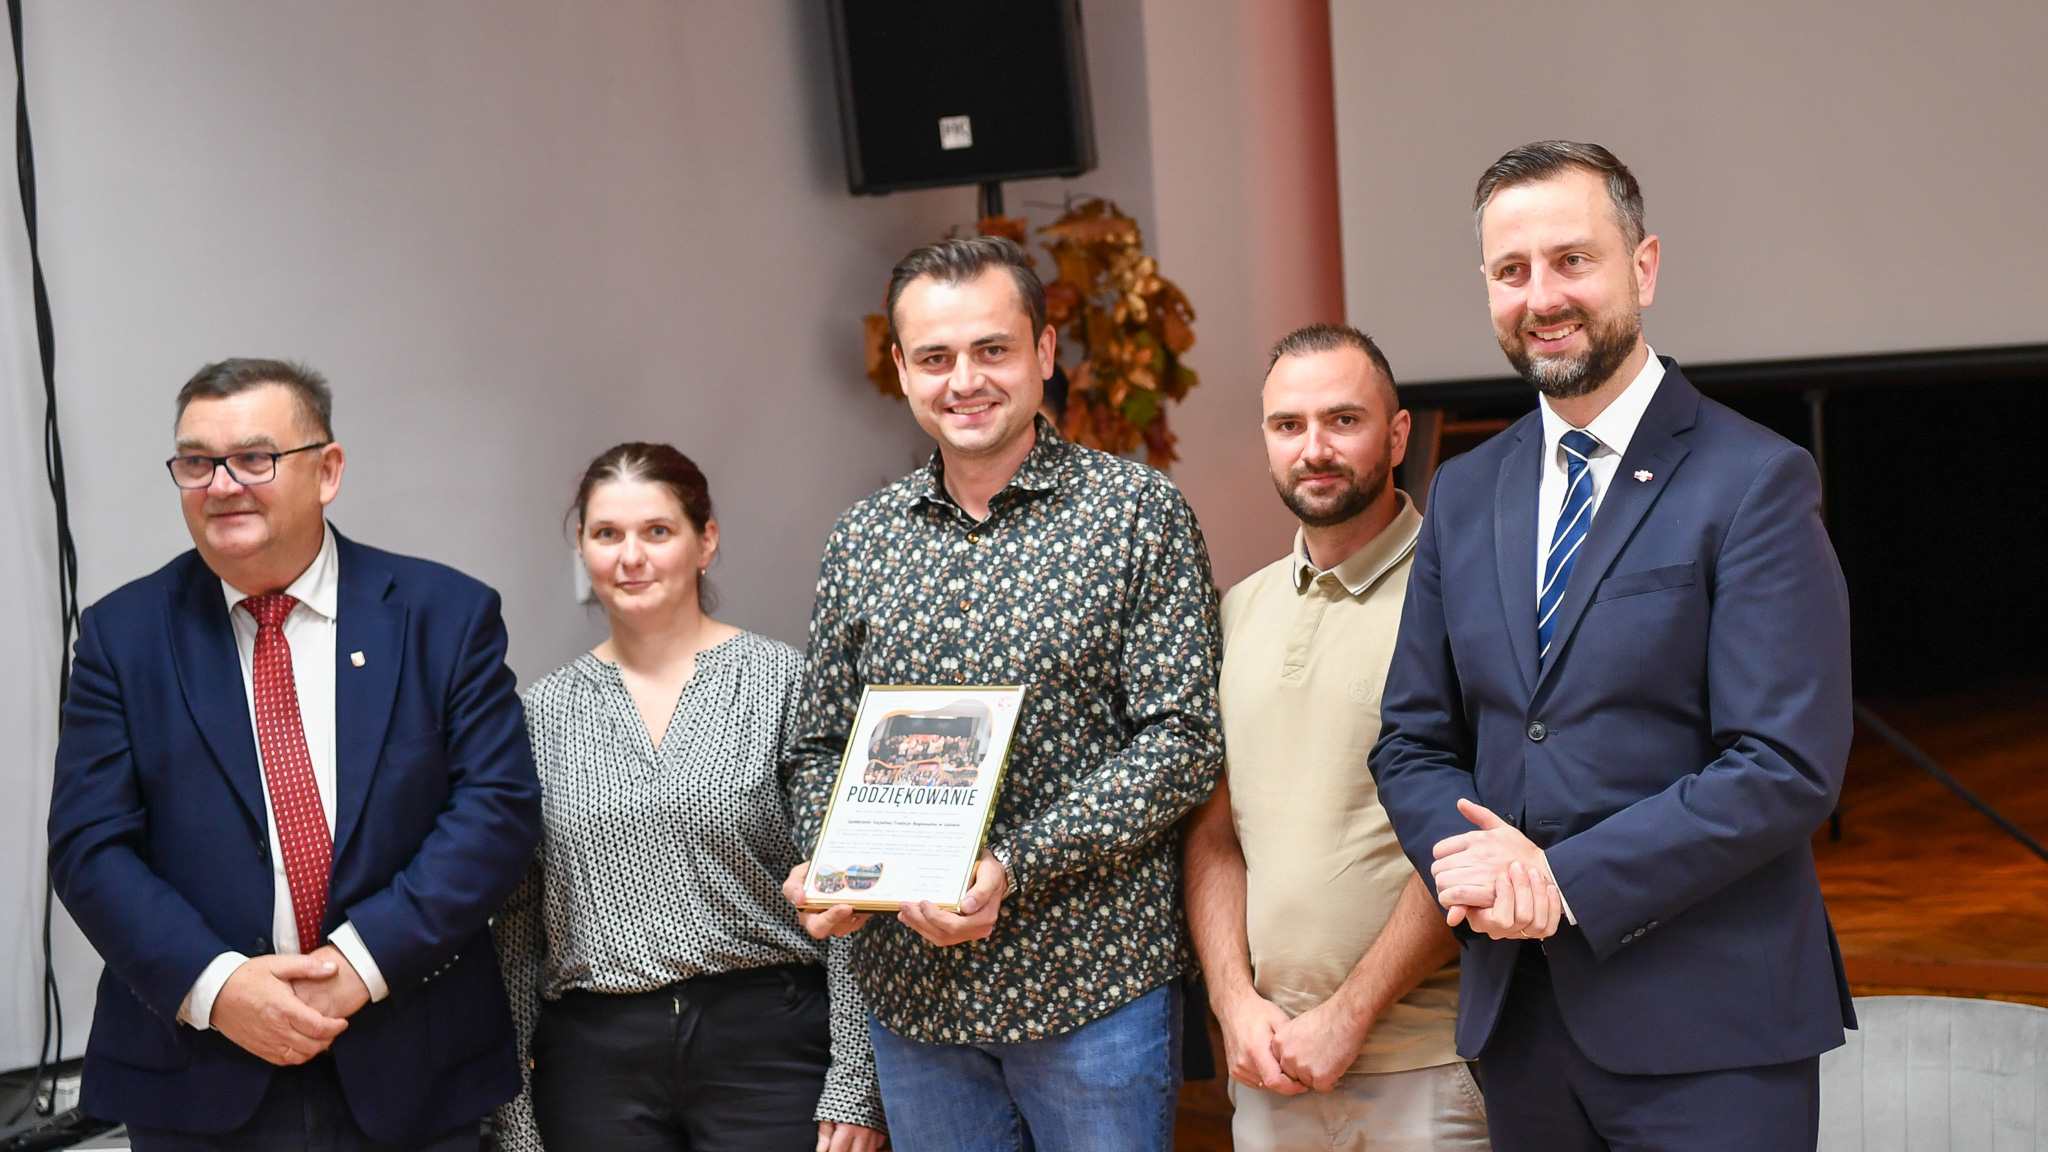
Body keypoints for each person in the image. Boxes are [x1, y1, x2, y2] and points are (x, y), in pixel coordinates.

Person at [1370, 141, 1855, 1151]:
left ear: (1643, 267)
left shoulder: (1754, 479)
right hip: (1520, 1026)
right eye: (1511, 271)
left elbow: (1784, 764)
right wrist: (1485, 875)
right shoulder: (1463, 492)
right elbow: (1412, 740)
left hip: (1713, 1035)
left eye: (1572, 260)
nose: (1541, 297)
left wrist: (1559, 881)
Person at [779, 235, 1224, 1152]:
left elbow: (1181, 741)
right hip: (916, 1005)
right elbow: (817, 744)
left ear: (1045, 352)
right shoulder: (862, 540)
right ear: (902, 370)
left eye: (992, 349)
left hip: (1093, 989)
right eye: (936, 357)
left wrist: (1013, 864)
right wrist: (839, 863)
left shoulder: (1137, 515)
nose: (965, 381)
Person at [48, 359, 542, 1150]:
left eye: (254, 458)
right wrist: (220, 987)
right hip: (198, 1075)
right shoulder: (122, 637)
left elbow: (495, 812)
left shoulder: (443, 615)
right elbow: (89, 847)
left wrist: (359, 965)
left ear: (328, 470)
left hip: (412, 1063)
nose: (222, 486)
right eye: (197, 463)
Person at [491, 443, 885, 1152]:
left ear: (706, 542)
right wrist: (514, 1115)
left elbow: (850, 894)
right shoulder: (538, 715)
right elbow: (518, 928)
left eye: (657, 531)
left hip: (768, 1045)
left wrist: (856, 1078)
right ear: (581, 546)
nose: (630, 556)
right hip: (595, 1063)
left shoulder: (785, 684)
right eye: (607, 533)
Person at [1185, 323, 1490, 1152]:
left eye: (1343, 420)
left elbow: (1475, 838)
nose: (1313, 448)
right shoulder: (1237, 610)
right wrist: (1233, 1004)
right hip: (1270, 1063)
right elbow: (1215, 834)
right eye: (1288, 425)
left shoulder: (1463, 598)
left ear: (1397, 435)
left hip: (1425, 1066)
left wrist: (1349, 1014)